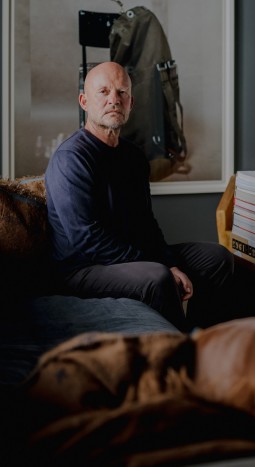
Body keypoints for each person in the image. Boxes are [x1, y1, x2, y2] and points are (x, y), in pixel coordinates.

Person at [44, 61, 234, 332]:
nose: (114, 100)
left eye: (122, 93)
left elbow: (146, 223)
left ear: (131, 103)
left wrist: (169, 260)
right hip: (81, 269)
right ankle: (182, 357)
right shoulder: (72, 158)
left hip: (131, 257)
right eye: (104, 92)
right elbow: (87, 238)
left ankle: (206, 339)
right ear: (84, 101)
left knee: (216, 257)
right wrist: (162, 267)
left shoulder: (133, 157)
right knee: (157, 277)